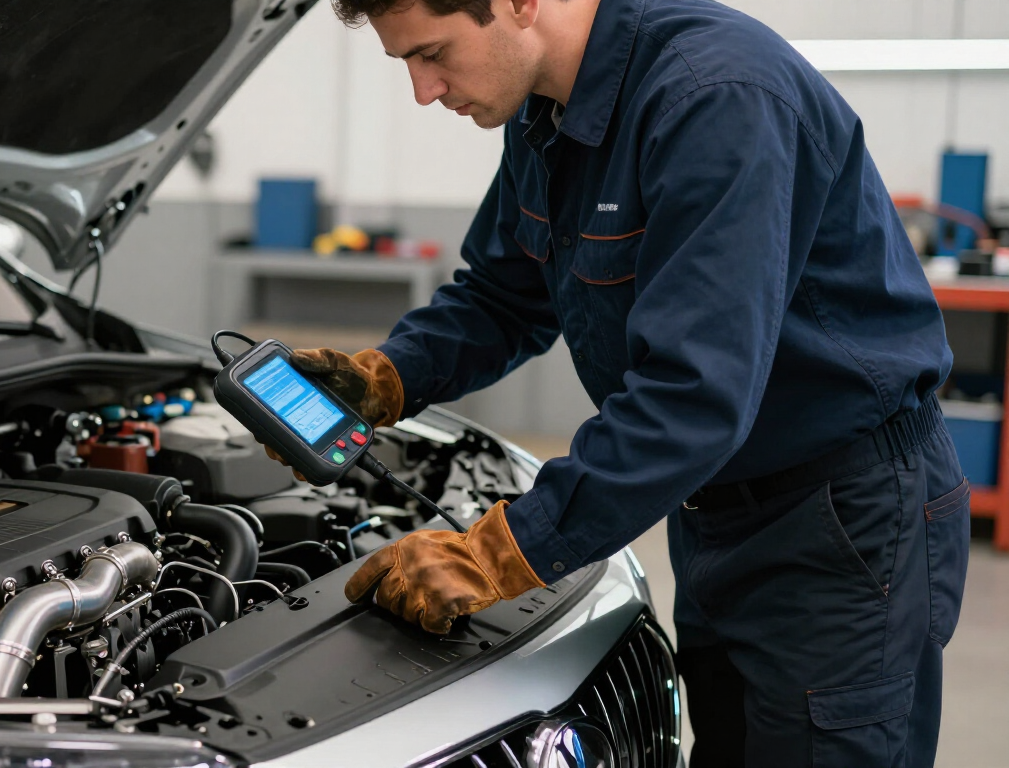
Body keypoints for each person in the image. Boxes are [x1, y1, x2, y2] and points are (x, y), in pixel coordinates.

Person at [264, 0, 974, 765]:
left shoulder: (716, 99)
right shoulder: (544, 113)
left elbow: (693, 397)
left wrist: (499, 552)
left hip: (841, 524)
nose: (423, 91)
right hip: (714, 511)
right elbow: (503, 296)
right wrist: (385, 379)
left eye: (433, 53)